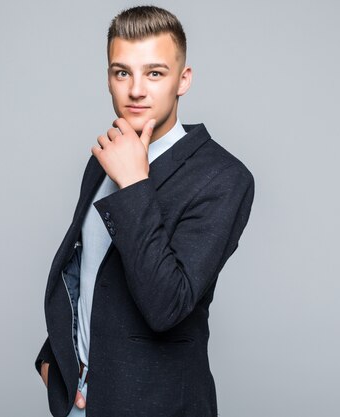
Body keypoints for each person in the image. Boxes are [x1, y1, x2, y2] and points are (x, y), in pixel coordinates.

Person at [35, 5, 255, 417]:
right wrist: (54, 365)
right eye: (122, 72)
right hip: (84, 405)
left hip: (161, 406)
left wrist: (134, 184)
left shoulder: (224, 177)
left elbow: (167, 306)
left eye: (154, 73)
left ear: (182, 80)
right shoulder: (106, 157)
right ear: (109, 79)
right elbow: (86, 270)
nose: (136, 90)